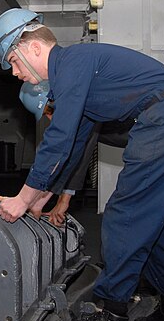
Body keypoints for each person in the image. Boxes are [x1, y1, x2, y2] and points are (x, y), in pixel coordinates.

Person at [0, 8, 164, 321]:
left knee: (124, 218)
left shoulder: (71, 62)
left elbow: (58, 138)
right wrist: (41, 197)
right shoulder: (81, 72)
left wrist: (20, 197)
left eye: (13, 61)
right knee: (163, 229)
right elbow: (75, 145)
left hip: (163, 123)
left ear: (32, 47)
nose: (14, 73)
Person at [18, 81, 132, 226]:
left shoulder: (86, 103)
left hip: (151, 131)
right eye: (46, 114)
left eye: (51, 111)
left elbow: (76, 153)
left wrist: (59, 201)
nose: (51, 119)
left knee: (120, 217)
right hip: (140, 139)